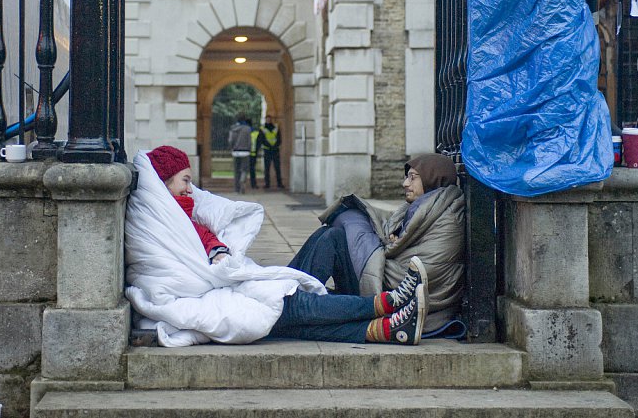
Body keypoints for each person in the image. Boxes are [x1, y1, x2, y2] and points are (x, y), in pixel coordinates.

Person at [125, 145, 428, 347]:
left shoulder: (181, 216)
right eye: (184, 181)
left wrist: (223, 253)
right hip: (222, 294)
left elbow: (210, 241)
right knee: (295, 306)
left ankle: (373, 320)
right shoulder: (162, 223)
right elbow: (181, 278)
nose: (191, 189)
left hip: (236, 284)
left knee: (331, 237)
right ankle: (389, 304)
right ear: (163, 183)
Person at [288, 153, 465, 336]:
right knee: (330, 233)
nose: (405, 183)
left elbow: (420, 275)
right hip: (386, 282)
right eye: (406, 177)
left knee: (333, 238)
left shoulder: (448, 220)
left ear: (432, 178)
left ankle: (290, 298)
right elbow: (392, 239)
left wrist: (381, 247)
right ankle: (288, 290)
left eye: (413, 177)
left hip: (393, 294)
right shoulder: (421, 208)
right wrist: (386, 243)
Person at [228, 114, 252, 194]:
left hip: (235, 152)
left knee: (236, 171)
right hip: (245, 152)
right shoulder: (248, 129)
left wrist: (232, 148)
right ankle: (242, 180)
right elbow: (249, 141)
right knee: (244, 169)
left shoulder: (233, 128)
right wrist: (249, 148)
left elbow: (230, 140)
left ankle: (237, 189)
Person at [258, 114, 283, 188]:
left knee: (277, 167)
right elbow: (261, 140)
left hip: (275, 150)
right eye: (267, 119)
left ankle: (279, 183)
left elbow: (279, 138)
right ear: (265, 120)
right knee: (267, 168)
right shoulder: (262, 128)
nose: (268, 120)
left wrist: (275, 145)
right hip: (267, 150)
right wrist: (269, 145)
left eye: (269, 119)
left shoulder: (276, 127)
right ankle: (267, 184)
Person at [248, 122, 260, 189]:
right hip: (253, 154)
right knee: (252, 170)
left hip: (247, 153)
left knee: (242, 170)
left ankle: (240, 185)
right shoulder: (256, 133)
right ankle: (253, 184)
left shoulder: (245, 132)